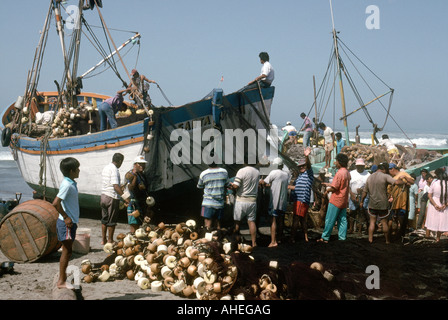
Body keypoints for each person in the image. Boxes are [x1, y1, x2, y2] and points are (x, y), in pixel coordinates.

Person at [52, 157, 80, 289]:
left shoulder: (71, 182)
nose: (79, 170)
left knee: (67, 250)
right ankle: (61, 281)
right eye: (77, 169)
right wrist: (66, 217)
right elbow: (55, 203)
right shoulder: (67, 185)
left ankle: (62, 278)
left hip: (70, 222)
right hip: (66, 224)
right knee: (67, 251)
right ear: (71, 171)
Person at [361, 162, 406, 244]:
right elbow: (396, 182)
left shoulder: (370, 177)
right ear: (384, 169)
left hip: (372, 204)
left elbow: (364, 192)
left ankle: (370, 239)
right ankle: (387, 240)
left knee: (372, 222)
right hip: (383, 204)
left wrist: (361, 201)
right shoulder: (385, 176)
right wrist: (404, 182)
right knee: (384, 222)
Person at [317, 152, 350, 243]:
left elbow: (335, 188)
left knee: (330, 219)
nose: (335, 163)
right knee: (342, 220)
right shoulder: (347, 172)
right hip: (343, 199)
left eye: (336, 161)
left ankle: (325, 237)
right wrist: (328, 184)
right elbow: (342, 185)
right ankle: (342, 237)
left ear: (340, 162)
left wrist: (327, 190)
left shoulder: (339, 173)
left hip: (336, 199)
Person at [230, 156, 260, 247]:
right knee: (251, 222)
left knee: (237, 222)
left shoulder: (241, 171)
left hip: (241, 200)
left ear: (244, 161)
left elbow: (236, 186)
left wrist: (231, 184)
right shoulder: (257, 172)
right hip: (252, 201)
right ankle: (254, 243)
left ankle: (236, 242)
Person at [260, 157, 290, 247]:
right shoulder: (286, 174)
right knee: (280, 220)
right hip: (283, 201)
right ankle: (279, 238)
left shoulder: (274, 172)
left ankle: (273, 241)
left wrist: (261, 180)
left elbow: (264, 182)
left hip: (275, 201)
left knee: (273, 220)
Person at [288, 147, 314, 242]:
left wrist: (307, 156)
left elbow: (309, 165)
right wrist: (289, 187)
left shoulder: (308, 174)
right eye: (300, 166)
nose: (301, 167)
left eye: (303, 166)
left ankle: (292, 238)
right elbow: (297, 188)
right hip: (300, 200)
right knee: (303, 220)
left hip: (301, 200)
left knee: (296, 218)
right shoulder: (300, 177)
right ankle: (306, 237)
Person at [100, 153, 127, 245]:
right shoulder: (114, 170)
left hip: (103, 196)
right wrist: (125, 197)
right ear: (120, 161)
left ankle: (103, 240)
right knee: (112, 220)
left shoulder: (106, 168)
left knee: (104, 219)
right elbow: (115, 186)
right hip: (111, 197)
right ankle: (110, 240)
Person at [197, 162, 230, 232]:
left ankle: (207, 241)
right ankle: (218, 241)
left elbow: (199, 186)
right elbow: (228, 184)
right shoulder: (224, 172)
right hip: (220, 204)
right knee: (218, 226)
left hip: (207, 203)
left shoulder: (203, 174)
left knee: (207, 227)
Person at [387, 163, 415, 241]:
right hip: (393, 201)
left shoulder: (403, 173)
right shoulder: (391, 177)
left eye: (389, 169)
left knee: (401, 218)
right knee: (392, 219)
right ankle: (392, 235)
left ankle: (401, 235)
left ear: (392, 169)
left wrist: (405, 178)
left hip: (402, 201)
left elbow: (412, 181)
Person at [125, 155, 152, 233]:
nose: (142, 166)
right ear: (135, 164)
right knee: (134, 225)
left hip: (141, 202)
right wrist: (135, 177)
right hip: (134, 203)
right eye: (140, 164)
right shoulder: (130, 174)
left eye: (143, 164)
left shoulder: (142, 175)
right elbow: (130, 188)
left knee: (142, 225)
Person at [424, 168, 448, 242]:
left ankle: (427, 237)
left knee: (430, 222)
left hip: (434, 205)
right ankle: (438, 238)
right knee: (440, 222)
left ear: (437, 175)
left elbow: (429, 195)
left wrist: (435, 205)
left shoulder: (434, 183)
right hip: (443, 205)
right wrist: (445, 205)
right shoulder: (447, 183)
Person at [347, 158, 370, 234]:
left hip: (364, 196)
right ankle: (351, 229)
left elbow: (368, 187)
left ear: (364, 166)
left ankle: (360, 229)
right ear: (356, 166)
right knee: (352, 212)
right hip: (353, 195)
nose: (360, 167)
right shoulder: (352, 173)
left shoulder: (367, 174)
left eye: (361, 166)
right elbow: (347, 185)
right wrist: (351, 194)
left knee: (362, 212)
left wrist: (363, 191)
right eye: (358, 166)